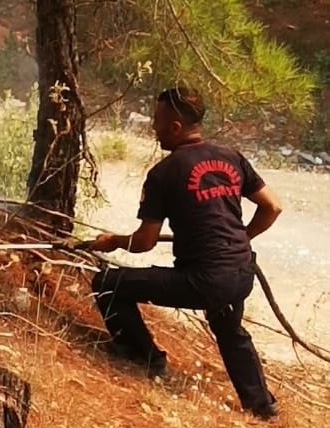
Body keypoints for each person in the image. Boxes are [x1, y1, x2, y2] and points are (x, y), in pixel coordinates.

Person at [88, 86, 282, 420]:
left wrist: (114, 241)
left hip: (204, 279)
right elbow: (273, 207)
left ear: (175, 127)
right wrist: (241, 238)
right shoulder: (231, 156)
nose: (153, 127)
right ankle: (262, 407)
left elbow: (144, 241)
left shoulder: (164, 173)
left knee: (108, 282)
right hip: (240, 272)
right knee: (229, 329)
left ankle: (146, 358)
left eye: (158, 121)